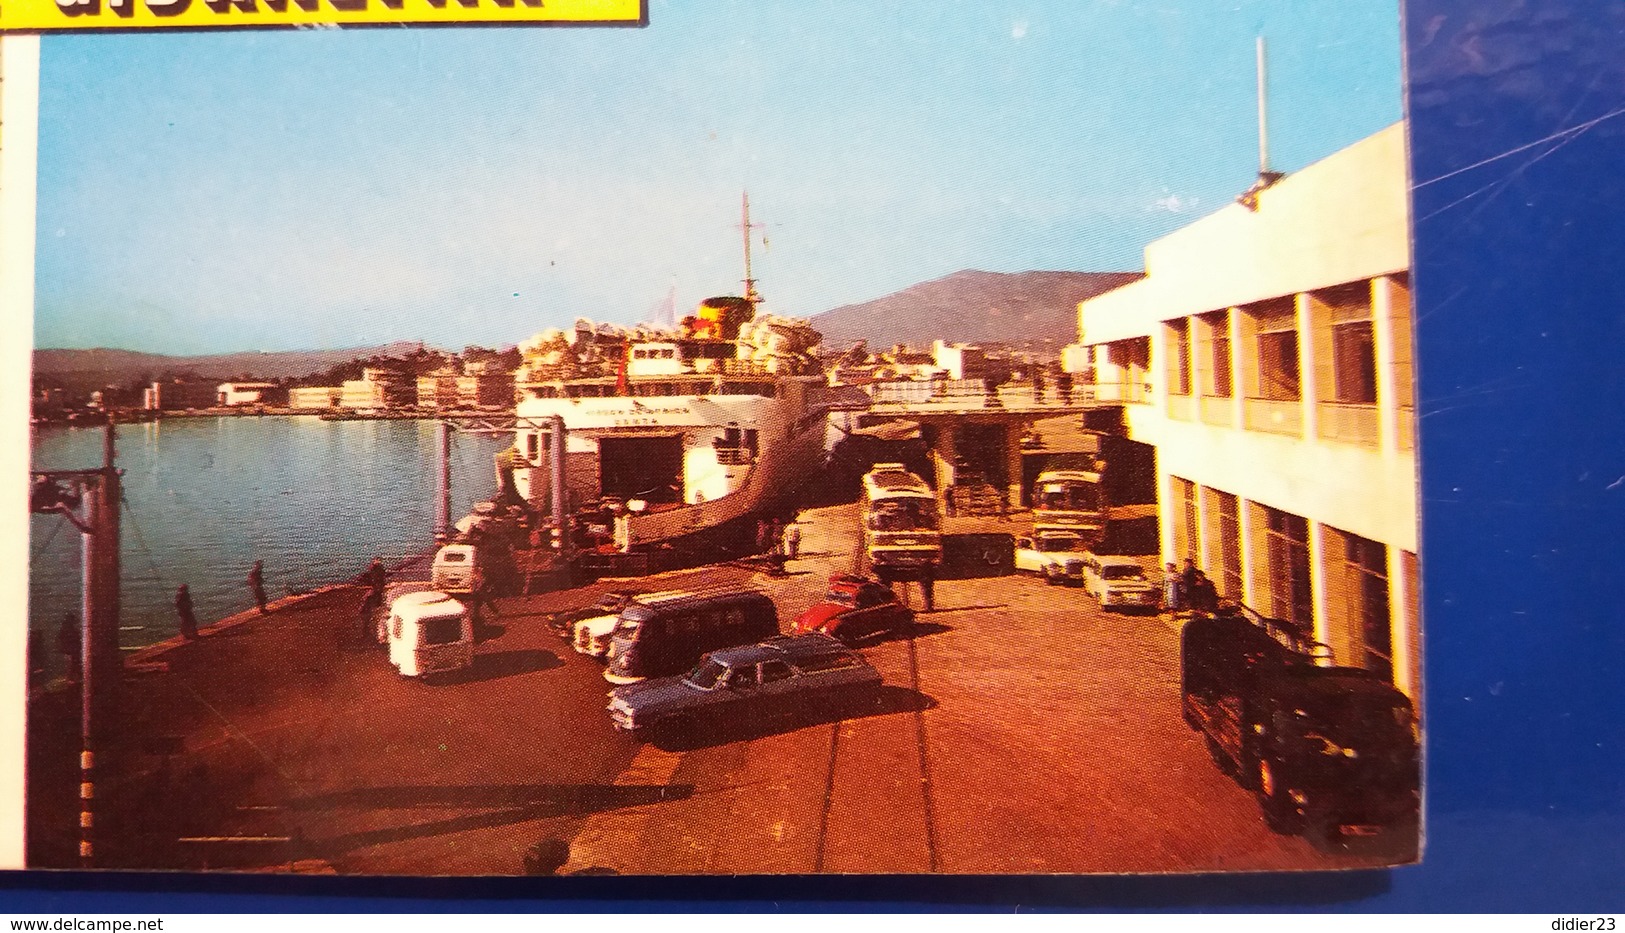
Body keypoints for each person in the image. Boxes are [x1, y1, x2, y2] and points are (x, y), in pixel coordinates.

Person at [56, 612, 81, 679]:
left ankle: (70, 678)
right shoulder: (70, 629)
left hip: (69, 651)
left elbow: (61, 638)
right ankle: (70, 679)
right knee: (71, 665)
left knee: (70, 666)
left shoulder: (64, 628)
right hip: (71, 651)